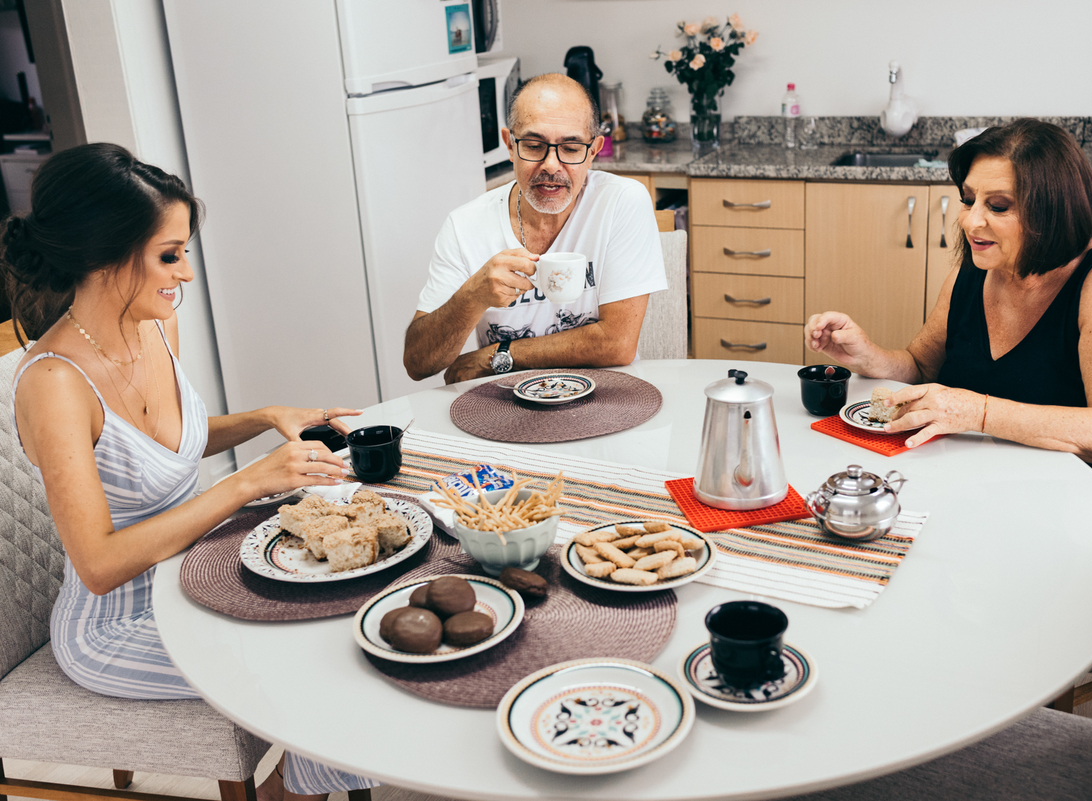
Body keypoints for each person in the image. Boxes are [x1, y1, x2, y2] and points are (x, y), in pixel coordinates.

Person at [3, 143, 376, 801]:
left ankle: (314, 778)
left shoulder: (152, 324)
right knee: (329, 669)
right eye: (169, 255)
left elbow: (159, 449)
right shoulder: (54, 384)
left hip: (197, 573)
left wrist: (264, 416)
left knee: (350, 607)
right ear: (105, 256)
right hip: (117, 623)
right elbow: (98, 563)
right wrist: (248, 480)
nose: (187, 274)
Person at [804, 119, 1092, 542]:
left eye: (998, 206)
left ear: (1053, 207)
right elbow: (922, 365)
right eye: (969, 200)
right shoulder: (977, 268)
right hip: (987, 481)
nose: (971, 222)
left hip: (1090, 506)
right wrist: (868, 355)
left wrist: (976, 411)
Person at [403, 73, 667, 384]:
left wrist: (497, 356)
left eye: (570, 148)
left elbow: (617, 344)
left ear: (593, 151)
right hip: (504, 407)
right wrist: (472, 297)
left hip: (607, 398)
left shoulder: (621, 202)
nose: (552, 165)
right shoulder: (465, 225)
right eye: (533, 145)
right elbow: (418, 364)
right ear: (509, 145)